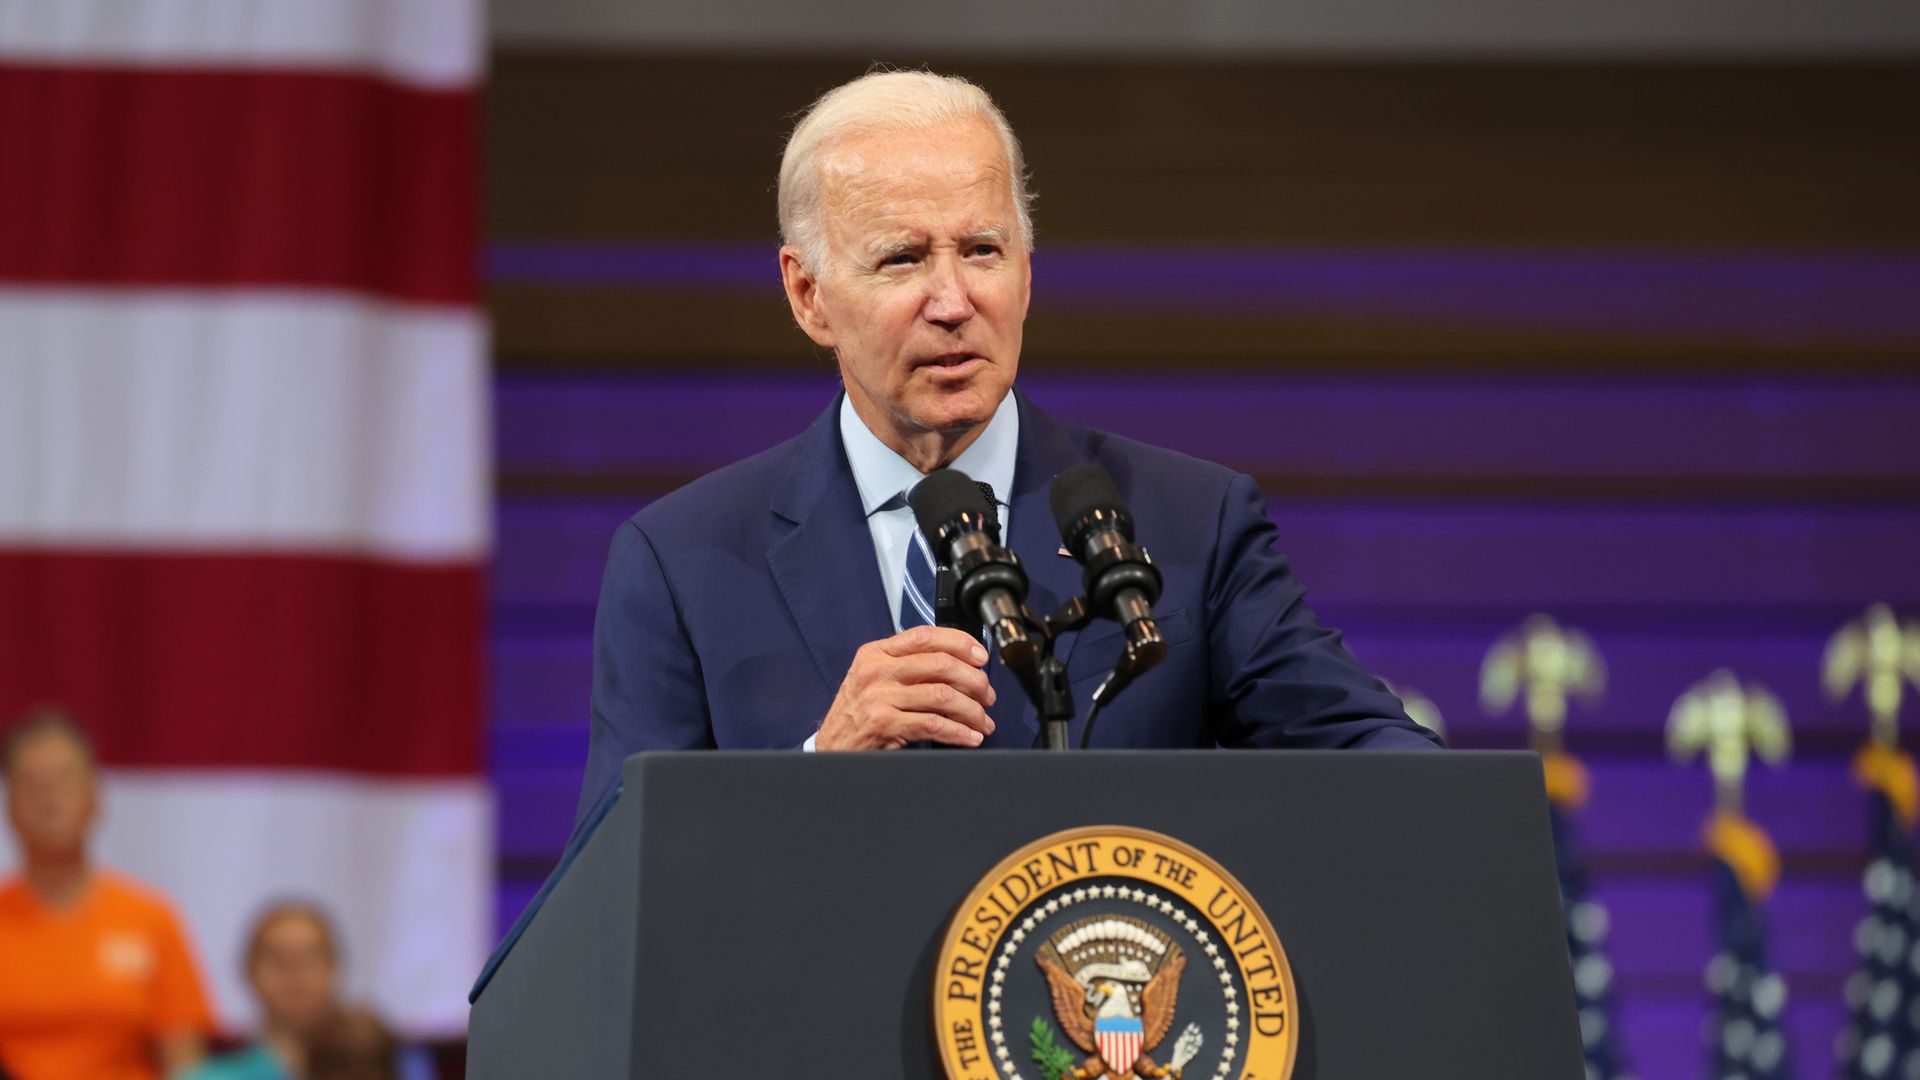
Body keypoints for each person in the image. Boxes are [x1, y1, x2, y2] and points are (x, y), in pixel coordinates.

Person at [576, 69, 1439, 823]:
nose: (952, 300)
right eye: (903, 259)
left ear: (1027, 271)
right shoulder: (681, 562)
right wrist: (818, 769)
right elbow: (616, 886)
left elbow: (1365, 750)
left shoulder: (1189, 521)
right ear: (808, 295)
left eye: (982, 250)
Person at [0, 708, 215, 1080]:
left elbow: (186, 1065)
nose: (49, 799)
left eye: (63, 781)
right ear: (10, 806)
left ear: (96, 798)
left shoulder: (150, 917)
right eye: (31, 784)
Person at [187, 902, 431, 1080]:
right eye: (276, 958)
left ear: (334, 966)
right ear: (248, 970)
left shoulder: (389, 1056)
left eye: (310, 958)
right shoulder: (208, 1077)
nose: (294, 972)